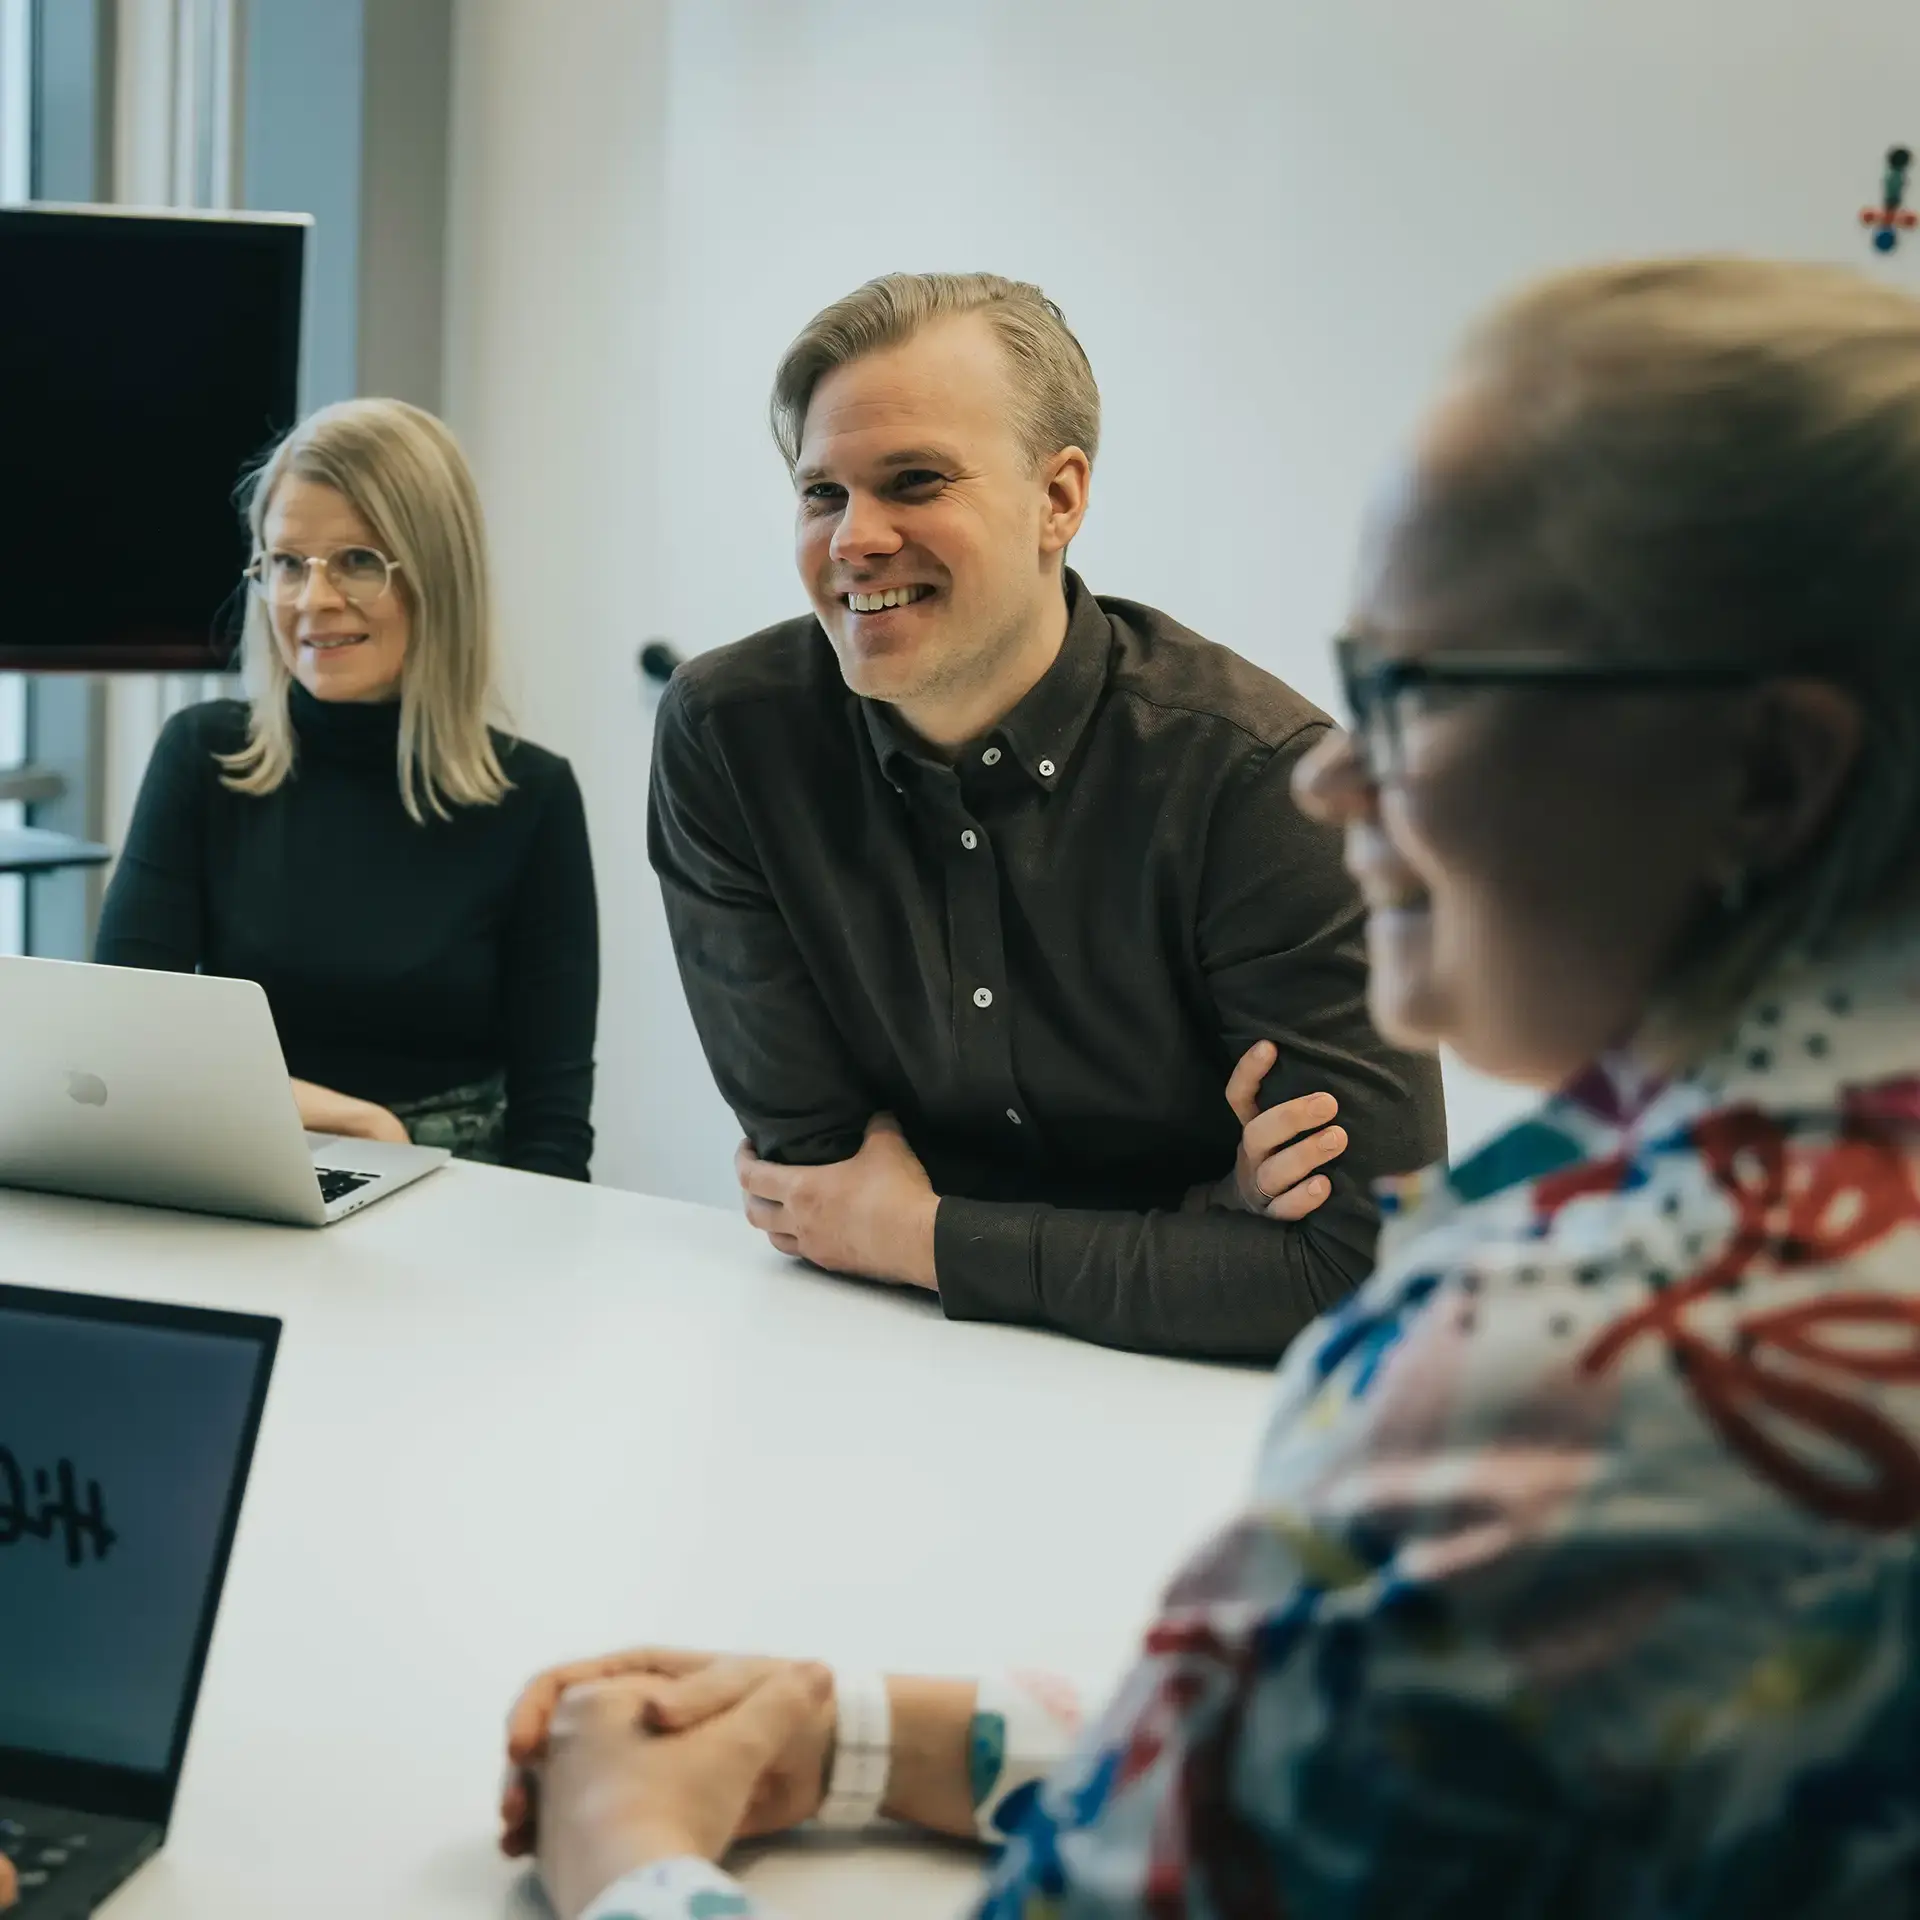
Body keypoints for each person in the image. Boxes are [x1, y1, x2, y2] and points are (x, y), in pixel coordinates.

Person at [504, 255, 1920, 1916]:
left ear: (1766, 774)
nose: (1332, 767)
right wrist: (865, 1737)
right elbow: (1398, 1743)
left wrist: (626, 1860)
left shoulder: (1566, 1368)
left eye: (1426, 688)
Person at [651, 272, 1445, 1360]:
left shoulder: (1269, 785)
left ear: (1060, 498)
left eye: (914, 480)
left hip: (1177, 1427)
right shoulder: (729, 737)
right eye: (822, 493)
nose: (855, 541)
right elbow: (819, 1188)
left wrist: (918, 1236)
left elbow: (1361, 1272)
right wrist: (1202, 1226)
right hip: (862, 1368)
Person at [95, 398, 599, 1181]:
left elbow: (553, 1128)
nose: (313, 599)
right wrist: (360, 1123)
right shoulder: (202, 755)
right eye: (287, 563)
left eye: (359, 561)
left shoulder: (531, 796)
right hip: (235, 1171)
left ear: (438, 575)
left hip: (462, 1205)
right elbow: (124, 1044)